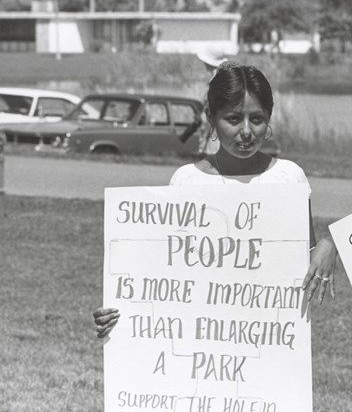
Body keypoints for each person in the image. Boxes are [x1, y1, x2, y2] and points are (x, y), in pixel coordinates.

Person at [94, 62, 338, 337]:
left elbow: (304, 255)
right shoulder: (186, 182)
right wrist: (121, 312)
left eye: (257, 119)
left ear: (269, 117)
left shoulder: (288, 178)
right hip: (204, 339)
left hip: (269, 339)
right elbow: (163, 274)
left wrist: (328, 247)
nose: (246, 131)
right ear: (212, 117)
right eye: (233, 119)